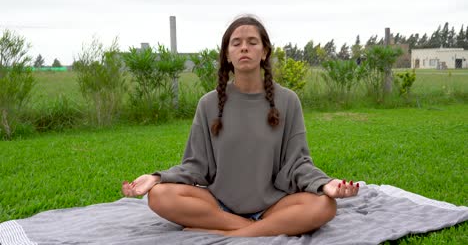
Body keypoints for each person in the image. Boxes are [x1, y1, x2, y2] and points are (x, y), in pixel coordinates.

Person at [122, 15, 359, 237]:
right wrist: (157, 178)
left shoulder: (288, 101)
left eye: (252, 42)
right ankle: (258, 230)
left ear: (264, 52)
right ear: (227, 54)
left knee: (324, 204)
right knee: (160, 196)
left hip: (273, 205)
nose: (244, 47)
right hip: (218, 204)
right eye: (236, 43)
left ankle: (230, 233)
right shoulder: (208, 104)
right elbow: (195, 166)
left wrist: (325, 183)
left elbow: (298, 163)